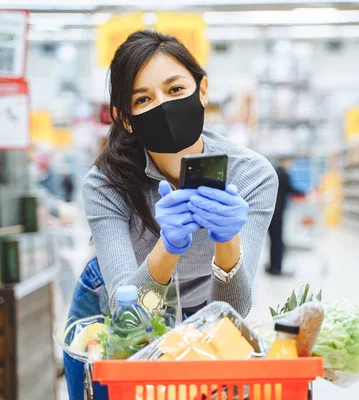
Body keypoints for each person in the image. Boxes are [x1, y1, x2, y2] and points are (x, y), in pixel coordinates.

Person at [63, 30, 278, 400]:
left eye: (175, 89)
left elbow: (232, 311)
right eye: (143, 98)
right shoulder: (105, 183)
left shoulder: (252, 175)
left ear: (203, 90)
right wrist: (169, 245)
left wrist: (227, 241)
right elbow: (126, 316)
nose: (162, 106)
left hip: (204, 299)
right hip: (111, 306)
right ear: (126, 119)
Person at [266, 157, 303, 276]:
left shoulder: (274, 172)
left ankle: (272, 266)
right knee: (278, 241)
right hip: (278, 213)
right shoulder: (283, 174)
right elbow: (290, 189)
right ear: (285, 162)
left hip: (271, 211)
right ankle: (277, 268)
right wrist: (305, 193)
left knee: (273, 240)